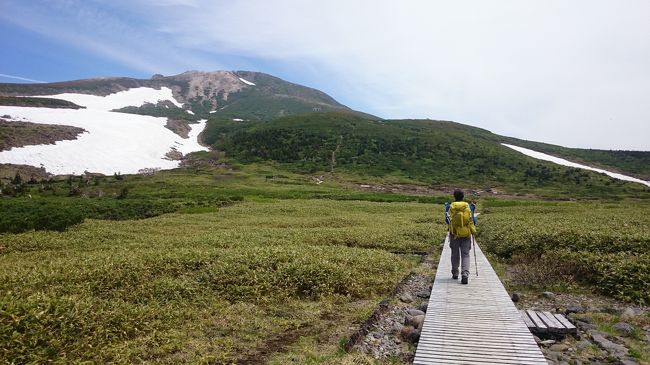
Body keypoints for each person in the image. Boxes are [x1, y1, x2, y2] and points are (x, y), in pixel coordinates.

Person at [447, 189, 477, 284]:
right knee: (465, 255)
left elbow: (447, 220)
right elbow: (473, 221)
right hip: (466, 234)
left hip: (454, 233)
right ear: (463, 197)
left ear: (454, 197)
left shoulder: (450, 207)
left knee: (454, 254)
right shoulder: (467, 207)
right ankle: (465, 274)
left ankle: (455, 273)